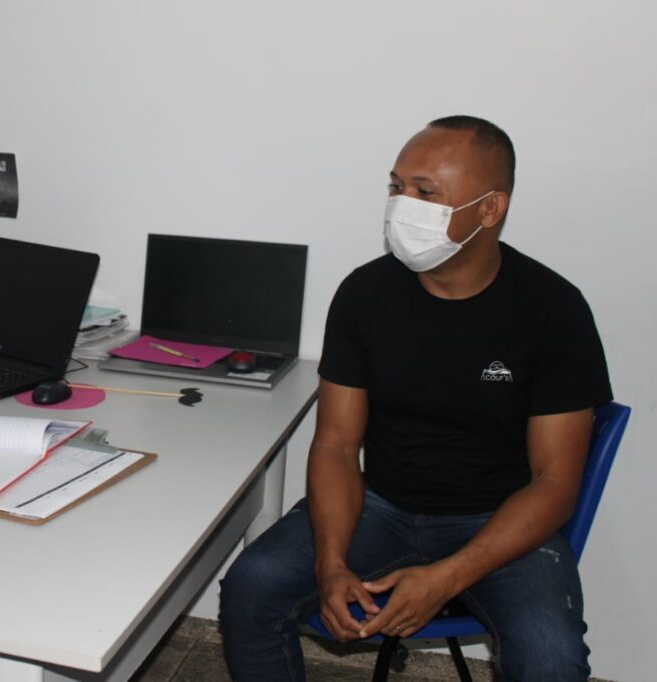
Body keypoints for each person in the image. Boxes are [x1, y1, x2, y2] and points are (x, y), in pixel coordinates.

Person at [219, 115, 612, 681]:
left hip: (499, 519)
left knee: (551, 659)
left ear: (489, 209)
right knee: (252, 587)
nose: (403, 205)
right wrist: (331, 564)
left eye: (426, 192)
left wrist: (446, 577)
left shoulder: (553, 309)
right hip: (380, 507)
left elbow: (553, 484)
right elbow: (335, 445)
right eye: (396, 187)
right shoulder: (364, 294)